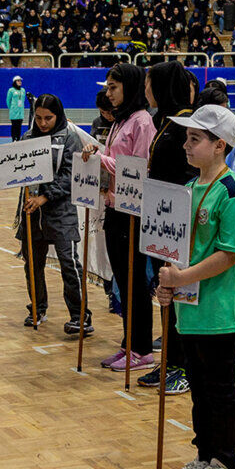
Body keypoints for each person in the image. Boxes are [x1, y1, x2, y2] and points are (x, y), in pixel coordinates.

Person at [157, 104, 235, 469]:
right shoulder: (189, 188)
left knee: (220, 389)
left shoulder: (231, 190)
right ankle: (205, 455)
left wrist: (182, 278)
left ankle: (227, 466)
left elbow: (230, 253)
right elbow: (177, 247)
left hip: (219, 311)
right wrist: (167, 284)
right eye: (187, 137)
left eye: (195, 138)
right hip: (189, 308)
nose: (186, 145)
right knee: (198, 387)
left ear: (219, 145)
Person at [83, 63, 156, 372]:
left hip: (133, 212)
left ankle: (142, 349)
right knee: (122, 281)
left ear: (131, 87)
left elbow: (137, 167)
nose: (108, 92)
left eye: (114, 87)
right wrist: (95, 150)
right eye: (108, 86)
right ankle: (129, 343)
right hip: (114, 208)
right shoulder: (120, 120)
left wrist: (103, 159)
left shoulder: (142, 122)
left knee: (135, 282)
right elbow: (114, 159)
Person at [138, 61, 198, 394]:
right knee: (167, 294)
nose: (145, 90)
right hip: (163, 224)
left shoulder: (185, 125)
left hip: (180, 223)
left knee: (180, 294)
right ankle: (171, 360)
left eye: (150, 84)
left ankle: (183, 365)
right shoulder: (166, 122)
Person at [16, 94, 88, 334]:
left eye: (48, 118)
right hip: (32, 213)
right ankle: (37, 307)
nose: (43, 123)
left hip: (61, 212)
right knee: (32, 264)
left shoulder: (70, 138)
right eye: (38, 118)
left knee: (69, 263)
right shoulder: (27, 138)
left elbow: (71, 174)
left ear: (58, 115)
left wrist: (45, 197)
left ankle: (80, 315)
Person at [7, 76, 28, 141]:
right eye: (18, 81)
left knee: (19, 126)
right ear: (14, 82)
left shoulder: (23, 90)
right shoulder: (11, 90)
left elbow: (23, 99)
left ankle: (18, 138)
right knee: (14, 126)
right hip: (13, 111)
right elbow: (8, 100)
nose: (20, 82)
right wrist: (11, 108)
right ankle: (14, 139)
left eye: (20, 81)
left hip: (20, 111)